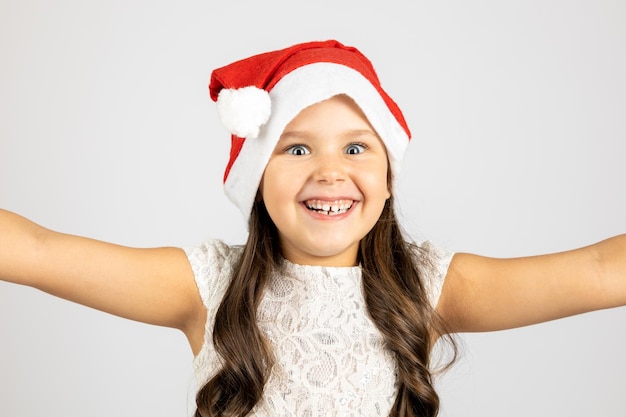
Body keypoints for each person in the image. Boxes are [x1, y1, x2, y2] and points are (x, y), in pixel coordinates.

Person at [1, 39, 625, 417]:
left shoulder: (429, 286)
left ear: (387, 179)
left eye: (357, 149)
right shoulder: (203, 285)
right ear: (255, 178)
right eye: (296, 150)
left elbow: (600, 271)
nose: (330, 172)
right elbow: (34, 250)